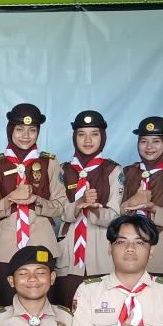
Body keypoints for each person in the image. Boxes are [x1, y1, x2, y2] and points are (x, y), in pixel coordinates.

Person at [0, 103, 66, 307]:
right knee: (5, 307)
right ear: (11, 129)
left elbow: (62, 206)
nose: (26, 136)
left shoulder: (49, 163)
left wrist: (36, 200)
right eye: (20, 129)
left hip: (43, 242)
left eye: (32, 130)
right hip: (6, 247)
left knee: (45, 307)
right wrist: (10, 198)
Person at [54, 110, 123, 306]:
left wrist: (93, 209)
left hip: (100, 254)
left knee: (101, 310)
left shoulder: (113, 170)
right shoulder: (63, 170)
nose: (87, 140)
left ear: (103, 137)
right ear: (74, 137)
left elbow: (115, 217)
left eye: (94, 134)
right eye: (81, 134)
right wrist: (79, 204)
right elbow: (59, 211)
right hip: (68, 253)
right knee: (66, 310)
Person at [120, 116, 163, 280]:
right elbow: (115, 214)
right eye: (144, 141)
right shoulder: (127, 173)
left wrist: (153, 209)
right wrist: (130, 203)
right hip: (127, 255)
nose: (149, 147)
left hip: (162, 257)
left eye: (156, 141)